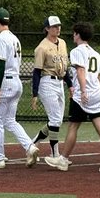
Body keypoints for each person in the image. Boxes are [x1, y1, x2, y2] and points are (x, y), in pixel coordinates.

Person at [44, 21, 100, 173]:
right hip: (96, 94)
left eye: (74, 33)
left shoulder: (77, 51)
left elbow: (80, 71)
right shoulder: (95, 54)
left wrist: (84, 91)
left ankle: (63, 159)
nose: (73, 35)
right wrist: (95, 91)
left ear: (78, 35)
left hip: (81, 96)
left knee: (73, 126)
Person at [0, 8, 40, 169]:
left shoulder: (1, 39)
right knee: (10, 120)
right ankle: (30, 146)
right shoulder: (14, 38)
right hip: (16, 81)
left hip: (6, 82)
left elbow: (0, 65)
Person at [30, 14, 68, 160]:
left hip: (60, 82)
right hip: (47, 82)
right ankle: (55, 153)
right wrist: (34, 94)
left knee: (57, 120)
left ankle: (33, 143)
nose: (57, 28)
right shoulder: (42, 47)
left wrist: (70, 85)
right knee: (54, 119)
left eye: (58, 25)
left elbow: (65, 67)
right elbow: (37, 71)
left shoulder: (63, 43)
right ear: (47, 29)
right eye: (54, 26)